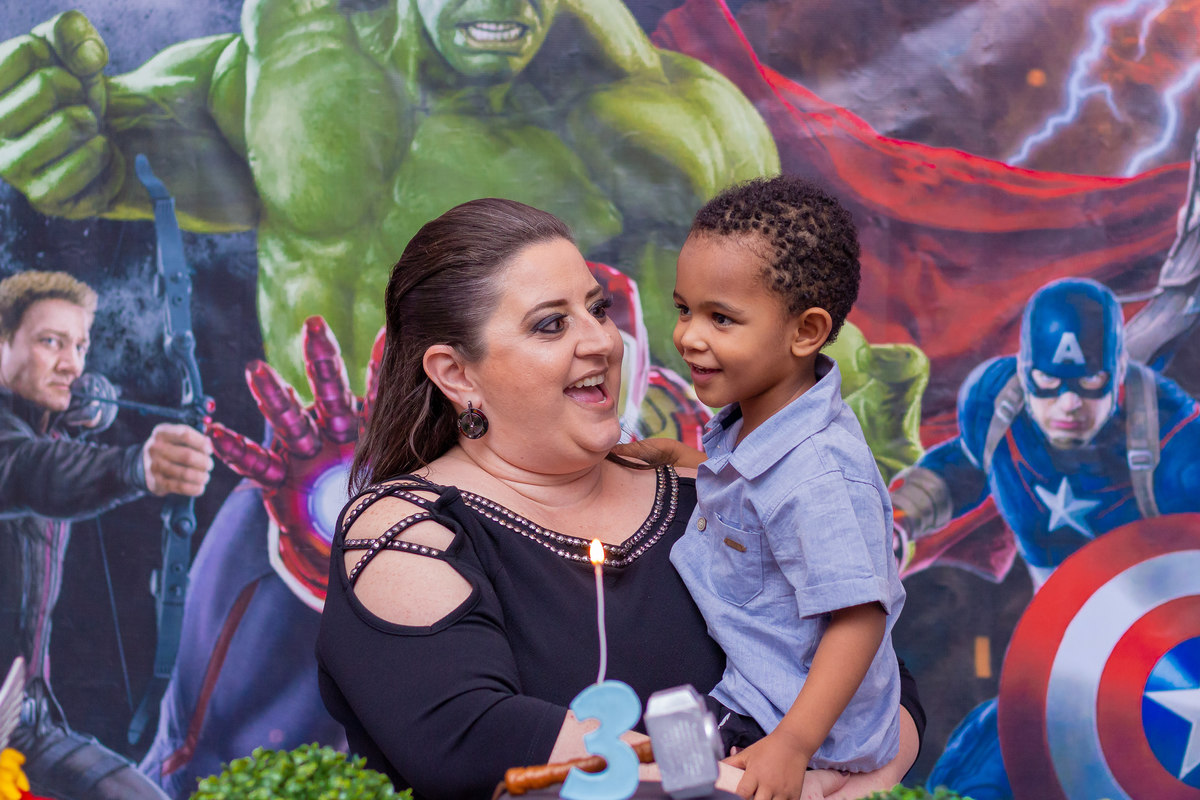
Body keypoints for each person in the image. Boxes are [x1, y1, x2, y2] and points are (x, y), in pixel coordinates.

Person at [316, 197, 924, 800]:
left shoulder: (718, 489)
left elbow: (866, 667)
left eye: (598, 310)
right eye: (551, 324)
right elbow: (469, 738)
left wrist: (853, 771)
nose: (604, 342)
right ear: (456, 374)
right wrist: (715, 778)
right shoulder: (406, 528)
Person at [889, 276, 1200, 799]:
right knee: (981, 773)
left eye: (1089, 383)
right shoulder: (997, 407)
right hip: (1056, 651)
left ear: (1118, 371)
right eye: (1049, 383)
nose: (1069, 403)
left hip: (1167, 658)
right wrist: (899, 518)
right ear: (1025, 369)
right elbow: (966, 465)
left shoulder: (1170, 436)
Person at [661, 176, 905, 800]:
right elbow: (758, 504)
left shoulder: (820, 474)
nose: (689, 336)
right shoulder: (760, 426)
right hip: (753, 693)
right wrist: (687, 461)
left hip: (791, 728)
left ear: (805, 332)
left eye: (721, 318)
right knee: (653, 754)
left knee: (666, 776)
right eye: (684, 309)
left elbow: (858, 619)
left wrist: (794, 745)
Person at [0, 270, 215, 800]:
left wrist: (97, 401)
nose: (72, 363)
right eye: (51, 342)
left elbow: (55, 438)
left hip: (24, 723)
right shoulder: (23, 449)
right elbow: (32, 471)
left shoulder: (46, 423)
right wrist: (135, 467)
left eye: (80, 345)